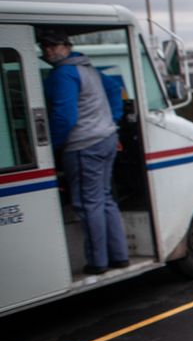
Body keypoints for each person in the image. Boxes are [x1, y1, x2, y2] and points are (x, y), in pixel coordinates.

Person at [40, 30, 130, 275]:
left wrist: (51, 146)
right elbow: (114, 90)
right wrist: (111, 121)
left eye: (53, 45)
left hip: (82, 145)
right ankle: (120, 255)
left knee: (88, 203)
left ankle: (98, 262)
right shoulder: (87, 68)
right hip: (106, 139)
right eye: (44, 46)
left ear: (66, 46)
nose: (48, 50)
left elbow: (65, 116)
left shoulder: (63, 74)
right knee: (105, 198)